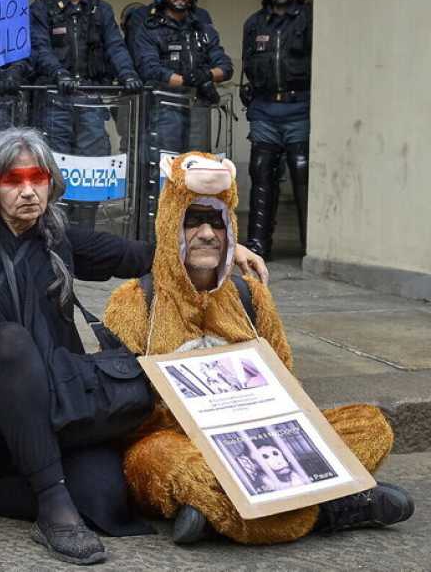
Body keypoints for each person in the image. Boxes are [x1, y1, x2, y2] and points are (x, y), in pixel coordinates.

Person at [0, 76, 268, 565]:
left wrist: (225, 249)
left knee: (104, 501)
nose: (27, 192)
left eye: (36, 179)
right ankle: (51, 506)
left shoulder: (62, 238)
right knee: (10, 342)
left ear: (51, 182)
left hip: (52, 407)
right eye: (13, 181)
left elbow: (150, 257)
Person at [103, 150, 414, 545]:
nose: (206, 234)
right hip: (180, 443)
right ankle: (332, 509)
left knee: (370, 425)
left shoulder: (251, 297)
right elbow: (123, 414)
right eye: (192, 221)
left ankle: (219, 514)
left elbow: (288, 387)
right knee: (156, 460)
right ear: (170, 227)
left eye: (216, 222)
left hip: (264, 445)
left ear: (230, 229)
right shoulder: (133, 302)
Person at [30, 0, 143, 230]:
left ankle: (85, 236)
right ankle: (53, 233)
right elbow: (40, 49)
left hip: (91, 99)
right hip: (56, 100)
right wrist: (59, 74)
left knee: (91, 167)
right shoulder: (42, 10)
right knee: (55, 168)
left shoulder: (100, 9)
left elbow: (116, 47)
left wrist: (128, 74)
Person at [240, 0, 313, 260]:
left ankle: (311, 245)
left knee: (302, 175)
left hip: (300, 108)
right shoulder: (254, 24)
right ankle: (258, 246)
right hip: (265, 110)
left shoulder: (311, 18)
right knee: (261, 174)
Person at [133, 0, 233, 155]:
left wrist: (206, 75)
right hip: (164, 109)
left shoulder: (204, 29)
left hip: (199, 109)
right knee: (166, 168)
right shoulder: (149, 30)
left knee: (199, 169)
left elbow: (226, 67)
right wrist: (185, 81)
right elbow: (149, 69)